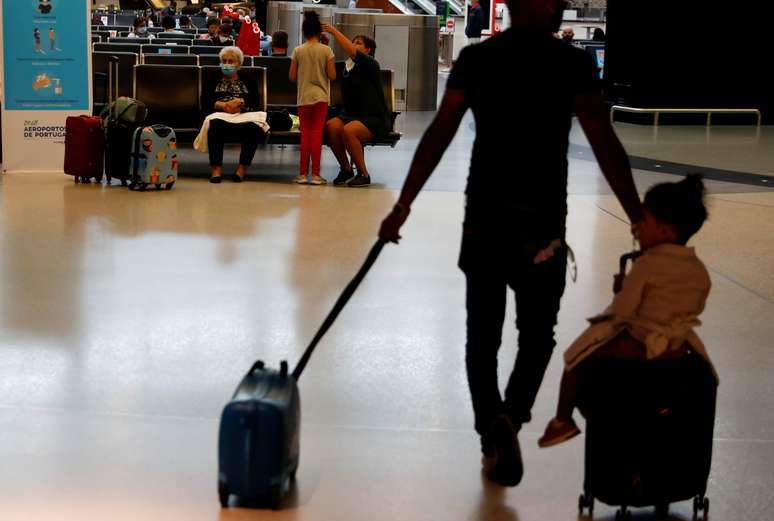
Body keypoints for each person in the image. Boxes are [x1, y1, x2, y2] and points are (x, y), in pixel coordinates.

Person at [377, 0, 643, 487]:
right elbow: (601, 137)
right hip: (543, 224)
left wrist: (404, 205)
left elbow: (441, 131)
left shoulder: (479, 59)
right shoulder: (571, 63)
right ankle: (510, 418)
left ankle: (491, 431)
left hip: (485, 220)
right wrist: (638, 216)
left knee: (482, 335)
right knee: (538, 336)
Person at [538, 175, 714, 447]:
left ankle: (562, 420)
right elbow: (695, 304)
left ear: (665, 231)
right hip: (678, 344)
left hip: (641, 341)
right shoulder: (699, 269)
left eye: (644, 220)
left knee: (576, 357)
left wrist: (621, 289)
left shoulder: (648, 263)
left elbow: (624, 309)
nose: (637, 227)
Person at [322, 25, 390, 188]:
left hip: (373, 117)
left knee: (349, 130)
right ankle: (346, 169)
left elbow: (352, 51)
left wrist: (334, 31)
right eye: (353, 42)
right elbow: (327, 67)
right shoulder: (346, 66)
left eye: (358, 43)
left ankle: (363, 174)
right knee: (331, 127)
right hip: (350, 114)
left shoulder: (371, 64)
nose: (353, 45)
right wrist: (323, 46)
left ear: (368, 50)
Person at [201, 46, 265, 183]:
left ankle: (241, 170)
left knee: (254, 128)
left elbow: (255, 101)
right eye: (224, 61)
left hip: (243, 115)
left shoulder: (249, 80)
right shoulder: (213, 79)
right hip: (220, 115)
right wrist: (222, 105)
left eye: (231, 61)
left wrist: (240, 101)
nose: (227, 64)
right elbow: (205, 101)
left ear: (239, 64)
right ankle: (216, 170)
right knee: (215, 125)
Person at [290, 11, 336, 185]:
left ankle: (302, 174)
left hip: (304, 97)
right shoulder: (326, 50)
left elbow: (292, 76)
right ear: (319, 32)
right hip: (321, 98)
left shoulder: (298, 50)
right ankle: (316, 175)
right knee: (317, 135)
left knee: (305, 136)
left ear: (304, 32)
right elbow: (332, 75)